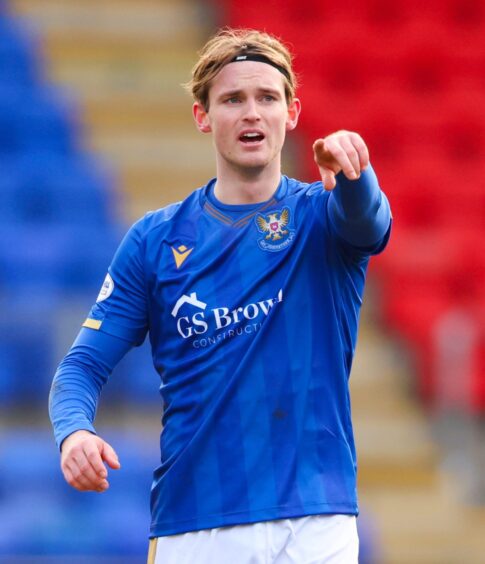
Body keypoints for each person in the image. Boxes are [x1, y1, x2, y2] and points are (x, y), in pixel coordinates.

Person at [49, 28, 391, 563]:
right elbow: (81, 367)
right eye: (232, 99)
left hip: (316, 519)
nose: (251, 113)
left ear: (292, 112)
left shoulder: (322, 215)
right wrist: (73, 433)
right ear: (203, 116)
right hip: (198, 523)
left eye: (267, 98)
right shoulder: (154, 241)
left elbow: (369, 226)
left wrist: (354, 174)